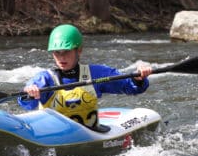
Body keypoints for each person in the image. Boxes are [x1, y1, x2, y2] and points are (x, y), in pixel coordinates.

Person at [18, 24, 152, 131]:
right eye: (57, 53)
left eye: (66, 52)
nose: (61, 58)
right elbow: (27, 105)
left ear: (79, 50)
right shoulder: (44, 79)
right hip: (55, 136)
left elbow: (130, 87)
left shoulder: (96, 73)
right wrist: (29, 93)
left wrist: (138, 79)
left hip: (91, 134)